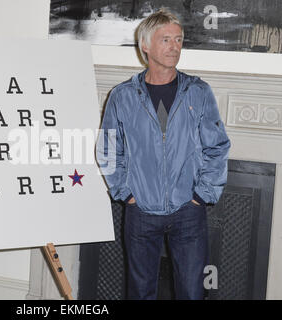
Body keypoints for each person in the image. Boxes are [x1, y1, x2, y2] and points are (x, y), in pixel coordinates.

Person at [96, 8, 230, 300]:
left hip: (188, 211)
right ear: (145, 46)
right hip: (140, 211)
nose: (175, 46)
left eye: (179, 40)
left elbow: (217, 146)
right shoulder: (122, 96)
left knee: (193, 293)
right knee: (140, 293)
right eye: (166, 39)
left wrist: (202, 195)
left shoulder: (198, 91)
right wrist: (125, 192)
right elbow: (107, 149)